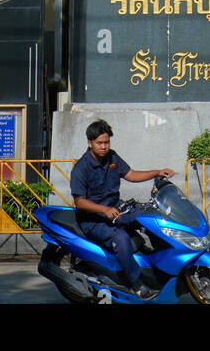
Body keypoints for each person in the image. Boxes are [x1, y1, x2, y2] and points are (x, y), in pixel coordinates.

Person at [69, 119, 175, 300]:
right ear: (90, 143)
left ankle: (162, 266)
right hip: (92, 219)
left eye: (106, 142)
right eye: (99, 143)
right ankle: (136, 283)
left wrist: (157, 172)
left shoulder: (112, 157)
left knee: (151, 218)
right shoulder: (81, 168)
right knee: (121, 238)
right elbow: (79, 202)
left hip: (117, 208)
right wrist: (103, 210)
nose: (104, 146)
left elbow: (131, 175)